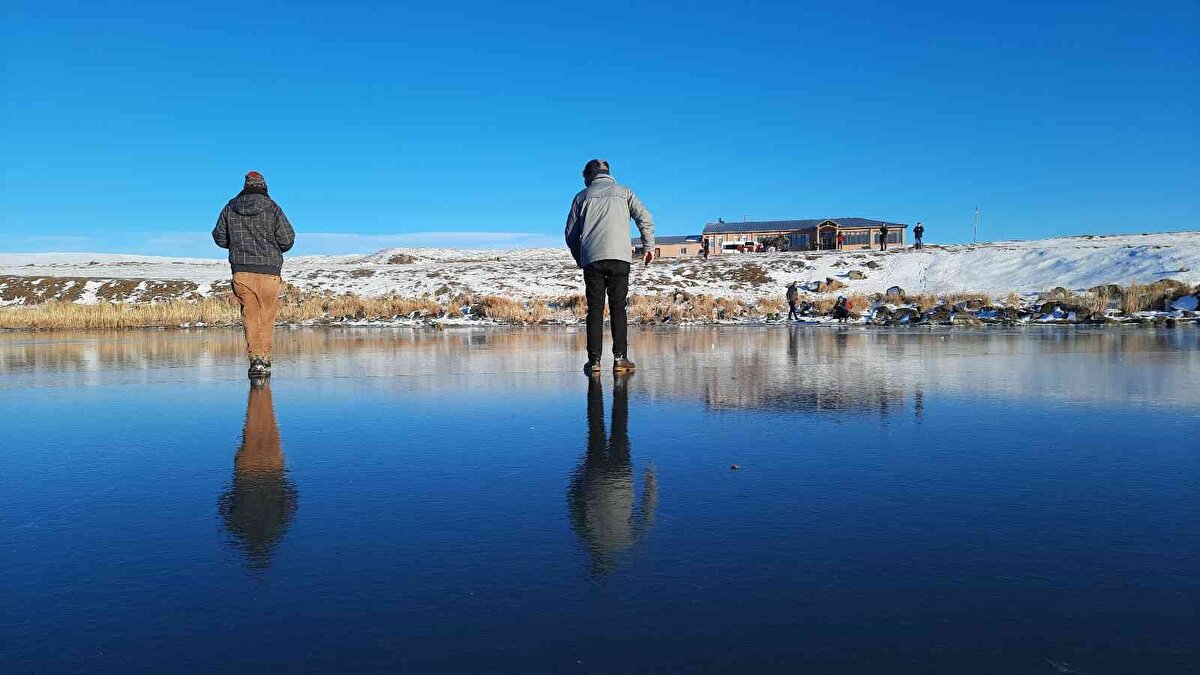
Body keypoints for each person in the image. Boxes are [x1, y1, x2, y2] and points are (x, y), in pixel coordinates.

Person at [564, 159, 655, 374]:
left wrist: (581, 257)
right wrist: (649, 246)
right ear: (607, 173)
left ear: (589, 176)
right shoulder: (625, 192)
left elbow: (570, 234)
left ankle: (594, 361)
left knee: (595, 310)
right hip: (620, 258)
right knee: (618, 307)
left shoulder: (581, 197)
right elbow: (645, 217)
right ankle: (620, 359)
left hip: (593, 260)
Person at [568, 374, 656, 576]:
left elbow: (574, 505)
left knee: (603, 430)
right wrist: (650, 480)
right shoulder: (610, 540)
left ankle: (599, 397)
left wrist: (576, 480)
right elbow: (646, 515)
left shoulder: (589, 537)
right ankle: (613, 397)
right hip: (614, 478)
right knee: (614, 429)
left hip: (608, 478)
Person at [212, 171, 295, 379]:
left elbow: (219, 237)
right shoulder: (273, 208)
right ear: (264, 186)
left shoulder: (230, 207)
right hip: (269, 272)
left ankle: (256, 360)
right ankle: (264, 360)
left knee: (250, 316)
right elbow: (287, 239)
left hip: (242, 271)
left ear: (245, 185)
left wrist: (237, 244)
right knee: (266, 317)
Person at [218, 380, 297, 570]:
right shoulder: (273, 531)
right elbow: (290, 503)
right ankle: (262, 387)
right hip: (260, 468)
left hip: (256, 466)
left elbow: (290, 502)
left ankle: (259, 388)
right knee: (265, 427)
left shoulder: (242, 530)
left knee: (254, 426)